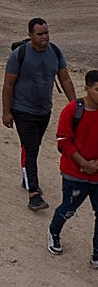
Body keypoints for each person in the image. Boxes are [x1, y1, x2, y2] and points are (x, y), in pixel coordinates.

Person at [4, 19, 75, 210]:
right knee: (31, 148)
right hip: (22, 110)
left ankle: (27, 178)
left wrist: (76, 104)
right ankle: (33, 194)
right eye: (40, 34)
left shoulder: (55, 52)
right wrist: (6, 112)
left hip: (44, 110)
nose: (44, 37)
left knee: (33, 147)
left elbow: (65, 78)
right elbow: (8, 85)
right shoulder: (19, 55)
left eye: (46, 33)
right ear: (30, 35)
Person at [47, 69, 98, 264]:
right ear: (87, 89)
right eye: (97, 89)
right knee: (68, 208)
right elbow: (64, 140)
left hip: (96, 174)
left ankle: (97, 254)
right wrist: (84, 164)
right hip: (74, 173)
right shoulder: (72, 110)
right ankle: (54, 232)